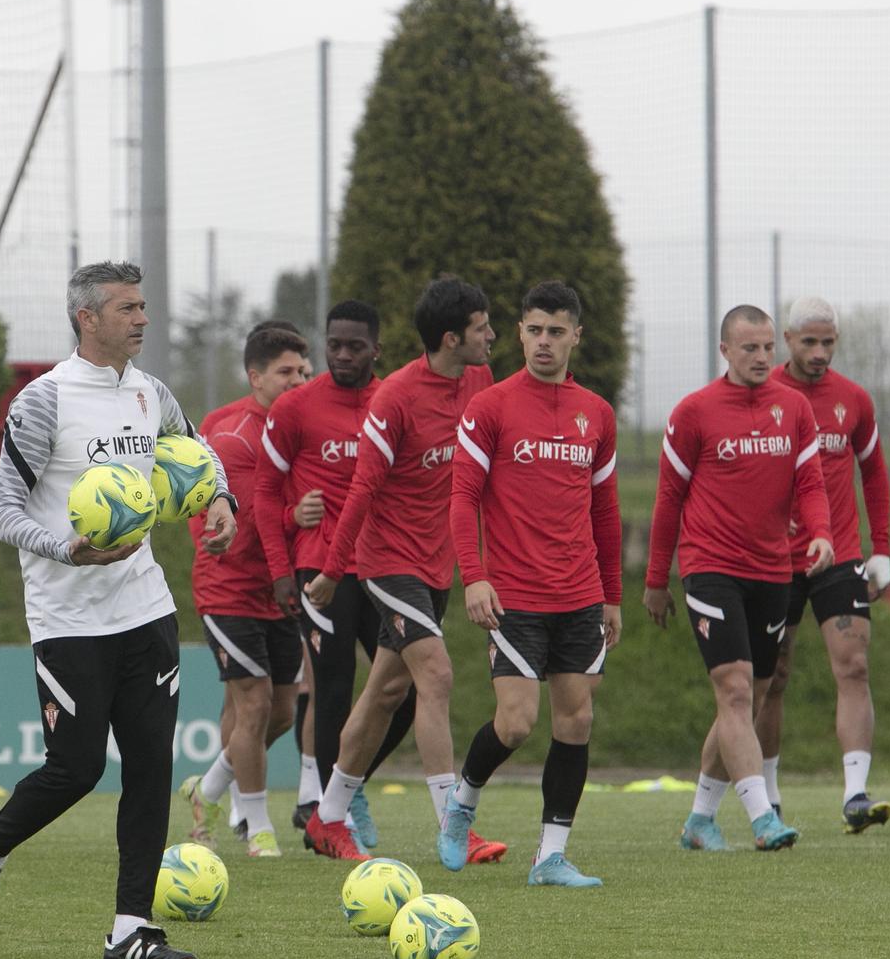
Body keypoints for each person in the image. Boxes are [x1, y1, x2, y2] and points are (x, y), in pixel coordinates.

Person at [0, 260, 236, 959]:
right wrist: (68, 551)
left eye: (144, 306)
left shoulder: (150, 391)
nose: (143, 318)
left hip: (145, 607)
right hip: (68, 617)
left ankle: (130, 927)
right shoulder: (43, 401)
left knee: (148, 766)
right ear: (88, 317)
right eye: (128, 307)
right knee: (75, 769)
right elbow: (0, 510)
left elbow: (197, 453)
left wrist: (220, 500)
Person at [300, 278, 506, 865]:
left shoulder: (479, 382)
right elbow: (362, 489)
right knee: (434, 677)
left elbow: (481, 483)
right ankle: (453, 825)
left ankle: (328, 816)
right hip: (388, 563)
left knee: (385, 690)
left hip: (436, 565)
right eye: (482, 327)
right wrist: (335, 571)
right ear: (450, 338)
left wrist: (484, 564)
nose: (492, 335)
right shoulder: (395, 398)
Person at [445, 281, 621, 886]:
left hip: (578, 595)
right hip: (514, 595)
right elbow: (463, 497)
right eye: (534, 329)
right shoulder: (490, 407)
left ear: (577, 336)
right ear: (519, 333)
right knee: (516, 722)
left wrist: (612, 595)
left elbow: (604, 511)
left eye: (557, 330)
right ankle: (462, 801)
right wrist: (475, 578)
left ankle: (550, 855)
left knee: (575, 721)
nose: (544, 341)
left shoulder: (596, 413)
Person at [648, 304, 829, 854]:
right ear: (724, 351)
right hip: (709, 568)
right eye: (749, 348)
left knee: (749, 699)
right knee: (732, 689)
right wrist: (658, 579)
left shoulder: (794, 409)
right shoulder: (695, 412)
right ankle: (762, 817)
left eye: (768, 347)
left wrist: (821, 533)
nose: (760, 357)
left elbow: (812, 485)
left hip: (774, 569)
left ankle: (700, 820)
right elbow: (668, 500)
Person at [254, 300, 420, 854]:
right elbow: (263, 494)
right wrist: (281, 572)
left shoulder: (395, 402)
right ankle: (336, 823)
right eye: (335, 344)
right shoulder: (297, 408)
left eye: (355, 345)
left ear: (377, 348)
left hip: (386, 568)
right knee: (333, 690)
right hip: (320, 572)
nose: (343, 354)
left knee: (409, 690)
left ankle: (345, 792)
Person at [759, 296, 890, 832]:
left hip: (838, 554)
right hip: (774, 557)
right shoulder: (763, 395)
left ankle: (856, 794)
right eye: (809, 341)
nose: (819, 353)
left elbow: (876, 475)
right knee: (773, 677)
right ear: (788, 340)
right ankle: (768, 796)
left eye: (828, 342)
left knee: (854, 665)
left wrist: (880, 548)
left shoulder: (853, 401)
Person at [177, 323, 311, 857]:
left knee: (278, 712)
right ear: (255, 377)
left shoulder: (305, 429)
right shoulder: (227, 431)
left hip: (281, 590)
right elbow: (207, 498)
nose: (298, 380)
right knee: (253, 706)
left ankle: (206, 790)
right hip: (229, 586)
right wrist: (210, 534)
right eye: (285, 372)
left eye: (304, 370)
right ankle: (256, 826)